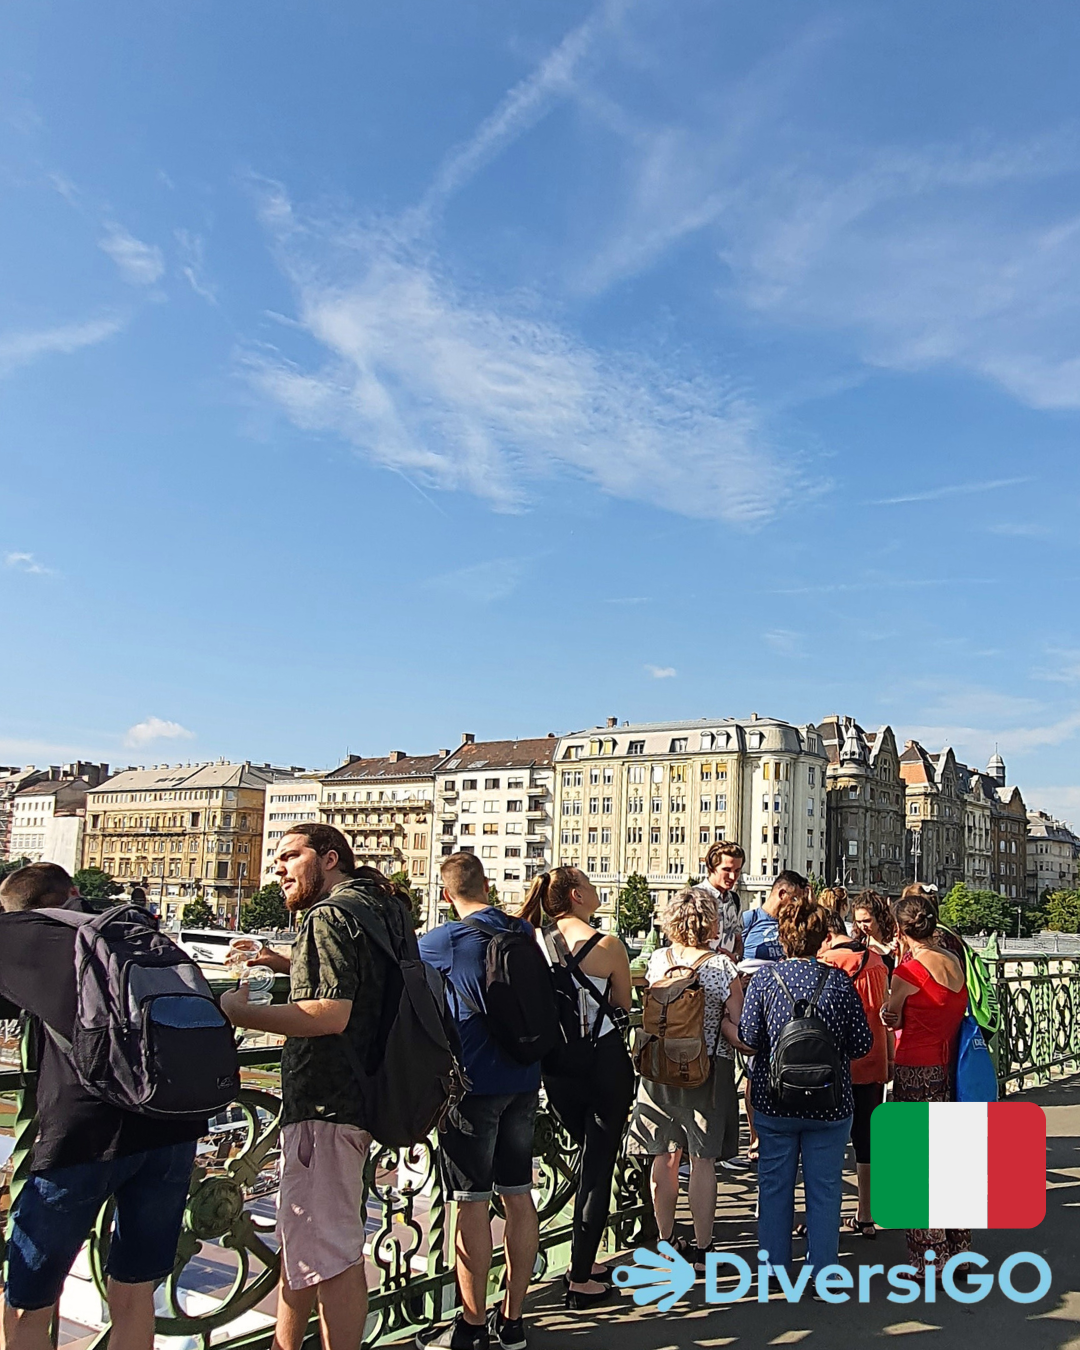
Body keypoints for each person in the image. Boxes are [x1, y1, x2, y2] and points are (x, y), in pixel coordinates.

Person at [0, 863, 206, 1350]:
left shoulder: (20, 937)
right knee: (134, 1295)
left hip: (83, 1135)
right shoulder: (136, 927)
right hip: (171, 1126)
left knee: (28, 1303)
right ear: (74, 892)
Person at [222, 824, 411, 1350]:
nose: (277, 867)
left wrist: (243, 1010)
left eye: (290, 856)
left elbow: (330, 1014)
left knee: (330, 1252)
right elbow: (365, 981)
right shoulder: (379, 904)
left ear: (328, 859)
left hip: (326, 1098)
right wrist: (287, 963)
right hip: (364, 1090)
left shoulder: (327, 915)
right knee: (306, 1245)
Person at [415, 853, 540, 1350]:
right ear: (487, 886)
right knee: (518, 1194)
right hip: (525, 1077)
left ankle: (469, 1325)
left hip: (472, 1084)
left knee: (469, 1203)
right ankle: (512, 1322)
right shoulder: (522, 933)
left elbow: (390, 977)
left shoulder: (443, 940)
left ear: (447, 894)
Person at [739, 893, 872, 1275]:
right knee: (826, 1190)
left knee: (775, 1188)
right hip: (830, 1102)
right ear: (823, 939)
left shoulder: (765, 980)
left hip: (774, 1098)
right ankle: (823, 1272)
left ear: (783, 937)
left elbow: (749, 1036)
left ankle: (774, 1272)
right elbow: (862, 1044)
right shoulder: (839, 982)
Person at [519, 869, 633, 1309]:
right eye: (590, 883)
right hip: (603, 1062)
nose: (596, 889)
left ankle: (582, 1258)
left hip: (557, 1066)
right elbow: (623, 1005)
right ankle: (582, 1277)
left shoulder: (532, 941)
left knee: (584, 1155)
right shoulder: (607, 945)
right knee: (598, 1165)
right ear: (576, 895)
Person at [628, 888, 748, 1271]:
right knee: (702, 1160)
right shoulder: (722, 968)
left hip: (660, 1068)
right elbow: (737, 1020)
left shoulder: (659, 960)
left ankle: (665, 1240)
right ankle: (703, 1249)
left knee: (663, 1156)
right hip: (707, 1068)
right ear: (711, 923)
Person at [881, 892, 970, 1274]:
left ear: (900, 930)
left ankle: (930, 1259)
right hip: (952, 1067)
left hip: (916, 1068)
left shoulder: (908, 974)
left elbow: (893, 1017)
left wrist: (889, 1014)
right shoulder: (954, 962)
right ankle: (960, 1248)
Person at [818, 909, 892, 1238]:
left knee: (827, 1140)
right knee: (866, 1138)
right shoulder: (875, 960)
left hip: (836, 1061)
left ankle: (825, 1216)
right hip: (874, 1056)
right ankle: (866, 1213)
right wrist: (888, 1059)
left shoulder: (826, 962)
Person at [737, 871, 811, 1159]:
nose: (798, 905)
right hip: (753, 1007)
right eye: (796, 898)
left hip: (786, 1010)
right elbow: (733, 957)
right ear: (782, 894)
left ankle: (784, 1133)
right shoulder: (749, 920)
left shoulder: (791, 925)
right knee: (754, 1076)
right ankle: (756, 1138)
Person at [690, 842, 746, 959]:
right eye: (726, 870)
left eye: (737, 871)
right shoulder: (693, 898)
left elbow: (738, 939)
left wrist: (735, 956)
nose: (732, 877)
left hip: (727, 972)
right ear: (711, 867)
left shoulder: (734, 899)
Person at [850, 890, 898, 976]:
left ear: (879, 918)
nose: (862, 926)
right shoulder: (858, 946)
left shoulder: (896, 943)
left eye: (867, 921)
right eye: (858, 922)